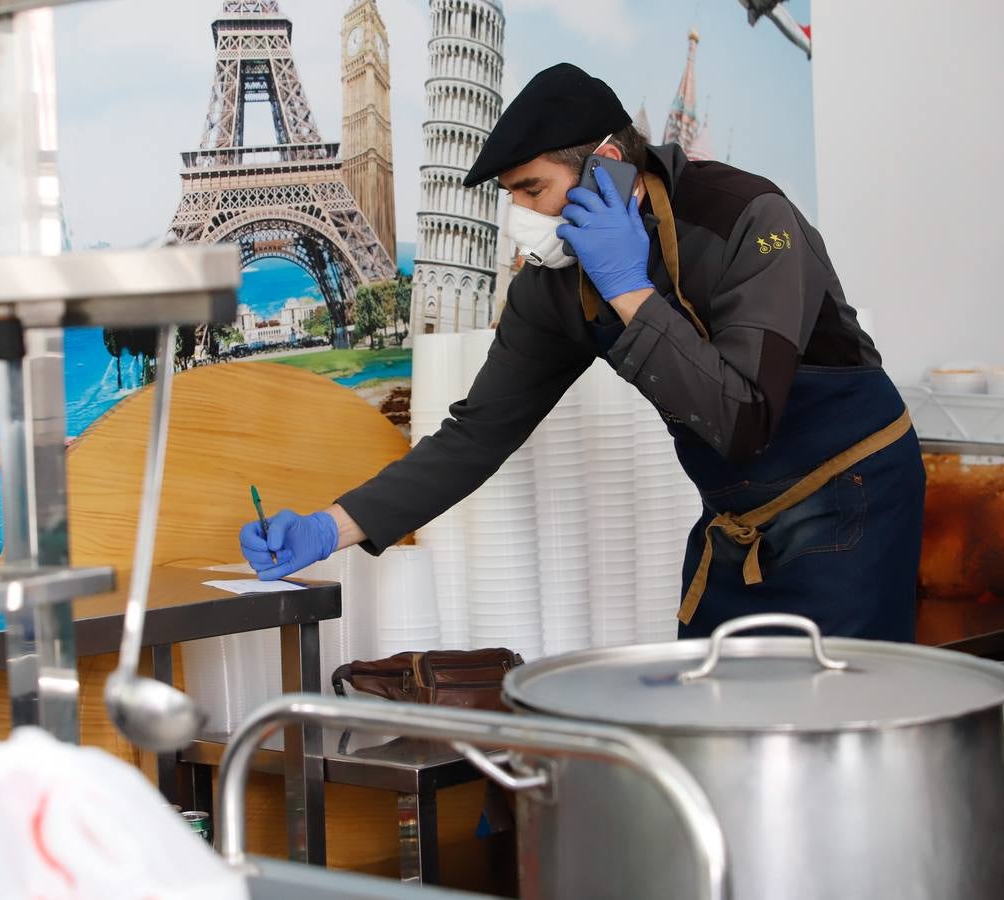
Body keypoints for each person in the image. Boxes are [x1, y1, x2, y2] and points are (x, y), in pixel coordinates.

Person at [240, 63, 925, 641]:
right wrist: (334, 526)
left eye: (533, 190)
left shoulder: (749, 216)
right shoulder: (554, 285)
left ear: (607, 166)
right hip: (739, 523)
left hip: (852, 497)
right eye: (513, 198)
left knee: (830, 733)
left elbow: (742, 421)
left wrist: (630, 291)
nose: (523, 219)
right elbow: (478, 434)